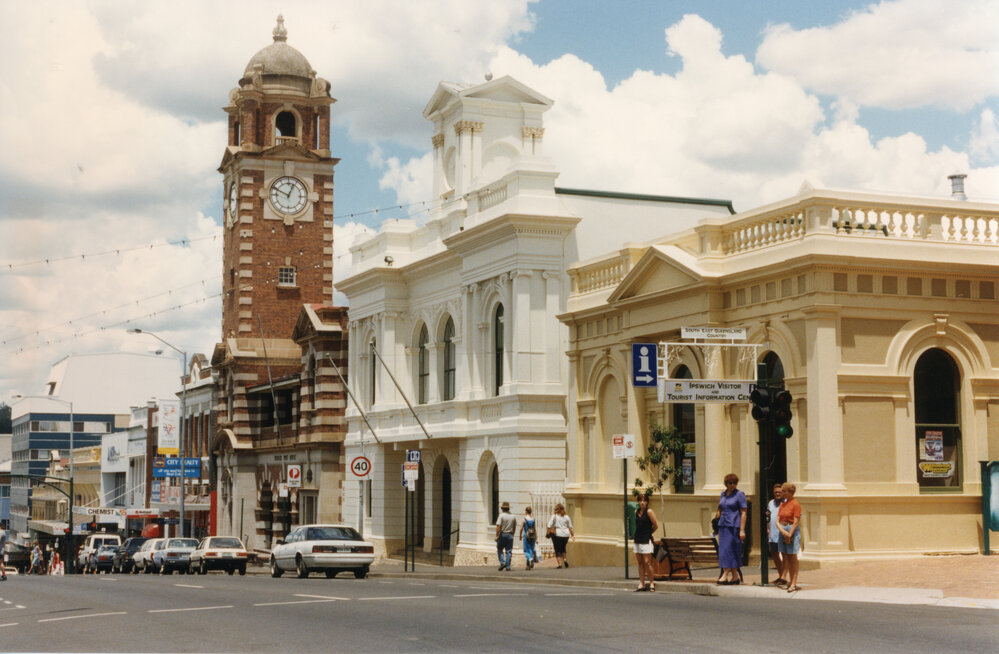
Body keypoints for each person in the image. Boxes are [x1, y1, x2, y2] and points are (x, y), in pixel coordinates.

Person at [714, 473, 747, 585]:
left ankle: (725, 574)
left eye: (734, 483)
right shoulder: (723, 494)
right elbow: (720, 508)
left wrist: (742, 530)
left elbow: (743, 513)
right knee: (725, 550)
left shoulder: (739, 495)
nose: (732, 485)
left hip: (734, 526)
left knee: (729, 549)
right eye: (730, 483)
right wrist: (716, 518)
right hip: (723, 525)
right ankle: (735, 576)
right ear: (726, 484)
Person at [777, 482, 802, 592]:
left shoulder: (795, 504)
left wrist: (790, 534)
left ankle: (794, 582)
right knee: (785, 556)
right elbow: (777, 520)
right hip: (783, 529)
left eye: (784, 491)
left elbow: (796, 521)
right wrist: (782, 531)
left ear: (790, 492)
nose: (782, 493)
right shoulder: (782, 504)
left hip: (792, 530)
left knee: (793, 557)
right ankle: (789, 580)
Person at [632, 493, 659, 592]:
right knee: (640, 563)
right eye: (640, 500)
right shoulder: (636, 511)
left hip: (646, 539)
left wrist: (649, 533)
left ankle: (651, 582)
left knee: (647, 562)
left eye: (644, 500)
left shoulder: (649, 512)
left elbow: (655, 525)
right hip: (638, 539)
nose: (642, 502)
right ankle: (641, 583)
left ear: (647, 502)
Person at [766, 483, 786, 586]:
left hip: (782, 533)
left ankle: (784, 577)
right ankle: (781, 575)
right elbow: (768, 517)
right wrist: (768, 529)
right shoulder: (771, 503)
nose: (777, 494)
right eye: (775, 492)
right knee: (774, 554)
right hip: (773, 534)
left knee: (784, 555)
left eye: (779, 492)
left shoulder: (786, 503)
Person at [547, 503, 575, 569]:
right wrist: (573, 536)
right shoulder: (567, 517)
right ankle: (565, 560)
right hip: (566, 535)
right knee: (563, 547)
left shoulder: (554, 516)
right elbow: (570, 527)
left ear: (556, 509)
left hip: (558, 534)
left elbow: (549, 525)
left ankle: (559, 564)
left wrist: (548, 531)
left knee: (557, 549)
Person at [494, 501, 516, 571]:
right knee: (509, 551)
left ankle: (502, 562)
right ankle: (508, 566)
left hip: (503, 534)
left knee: (499, 548)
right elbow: (514, 526)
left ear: (503, 509)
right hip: (510, 534)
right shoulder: (513, 516)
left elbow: (498, 526)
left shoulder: (501, 515)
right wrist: (513, 534)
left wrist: (497, 535)